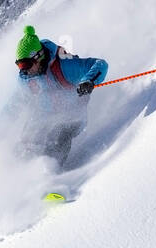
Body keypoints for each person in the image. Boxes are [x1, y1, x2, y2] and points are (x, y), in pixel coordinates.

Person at [14, 25, 108, 169]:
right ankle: (18, 178)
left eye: (26, 64)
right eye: (19, 65)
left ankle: (48, 178)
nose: (24, 70)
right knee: (24, 146)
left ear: (38, 56)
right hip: (43, 116)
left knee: (58, 138)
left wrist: (88, 80)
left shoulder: (65, 66)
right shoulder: (26, 78)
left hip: (71, 115)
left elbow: (100, 64)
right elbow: (14, 103)